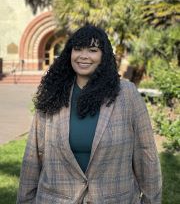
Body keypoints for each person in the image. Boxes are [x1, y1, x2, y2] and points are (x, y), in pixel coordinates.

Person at [17, 24, 162, 204]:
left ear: (103, 56)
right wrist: (25, 199)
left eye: (92, 50)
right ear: (70, 53)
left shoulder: (127, 94)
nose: (83, 56)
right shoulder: (53, 93)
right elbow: (33, 156)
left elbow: (146, 153)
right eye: (78, 49)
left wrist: (152, 199)